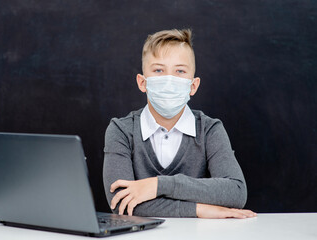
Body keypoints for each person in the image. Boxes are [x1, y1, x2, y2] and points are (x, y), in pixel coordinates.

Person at [103, 29, 256, 219]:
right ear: (143, 83)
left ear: (193, 86)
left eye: (180, 71)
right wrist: (199, 209)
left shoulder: (210, 130)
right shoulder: (121, 131)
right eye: (158, 70)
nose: (169, 80)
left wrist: (158, 185)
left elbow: (236, 191)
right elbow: (120, 203)